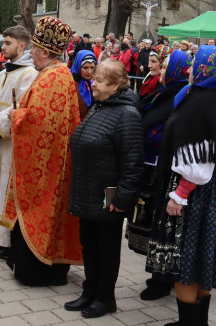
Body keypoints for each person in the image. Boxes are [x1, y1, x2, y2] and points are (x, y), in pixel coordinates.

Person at [146, 45, 216, 325]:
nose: (188, 70)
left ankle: (190, 323)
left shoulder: (204, 103)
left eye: (194, 64)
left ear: (206, 68)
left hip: (196, 193)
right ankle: (198, 321)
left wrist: (180, 194)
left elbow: (200, 159)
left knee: (184, 260)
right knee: (204, 258)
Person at [0, 16, 83, 287]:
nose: (31, 55)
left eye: (34, 50)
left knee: (43, 210)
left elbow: (38, 121)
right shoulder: (58, 74)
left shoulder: (52, 78)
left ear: (45, 52)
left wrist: (16, 116)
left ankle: (37, 271)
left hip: (46, 164)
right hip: (56, 161)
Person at [65, 59, 143, 318]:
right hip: (88, 189)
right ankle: (89, 292)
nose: (93, 83)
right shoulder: (100, 106)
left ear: (117, 84)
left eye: (99, 80)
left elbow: (132, 163)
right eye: (94, 78)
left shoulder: (127, 115)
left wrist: (121, 198)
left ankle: (105, 298)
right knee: (89, 244)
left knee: (106, 247)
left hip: (108, 193)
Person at [128, 50, 191, 301]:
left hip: (167, 173)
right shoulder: (165, 93)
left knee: (164, 228)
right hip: (151, 168)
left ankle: (162, 279)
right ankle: (161, 274)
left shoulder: (180, 96)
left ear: (176, 70)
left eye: (165, 67)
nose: (161, 71)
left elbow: (167, 131)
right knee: (154, 225)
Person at [0, 26, 37, 260]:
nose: (2, 47)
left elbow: (19, 108)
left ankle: (9, 241)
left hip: (13, 140)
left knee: (8, 189)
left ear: (22, 46)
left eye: (8, 43)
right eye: (3, 42)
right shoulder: (3, 72)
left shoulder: (29, 74)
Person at [70, 50, 97, 120]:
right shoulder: (70, 83)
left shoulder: (93, 82)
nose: (89, 72)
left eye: (92, 68)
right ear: (78, 66)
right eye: (85, 68)